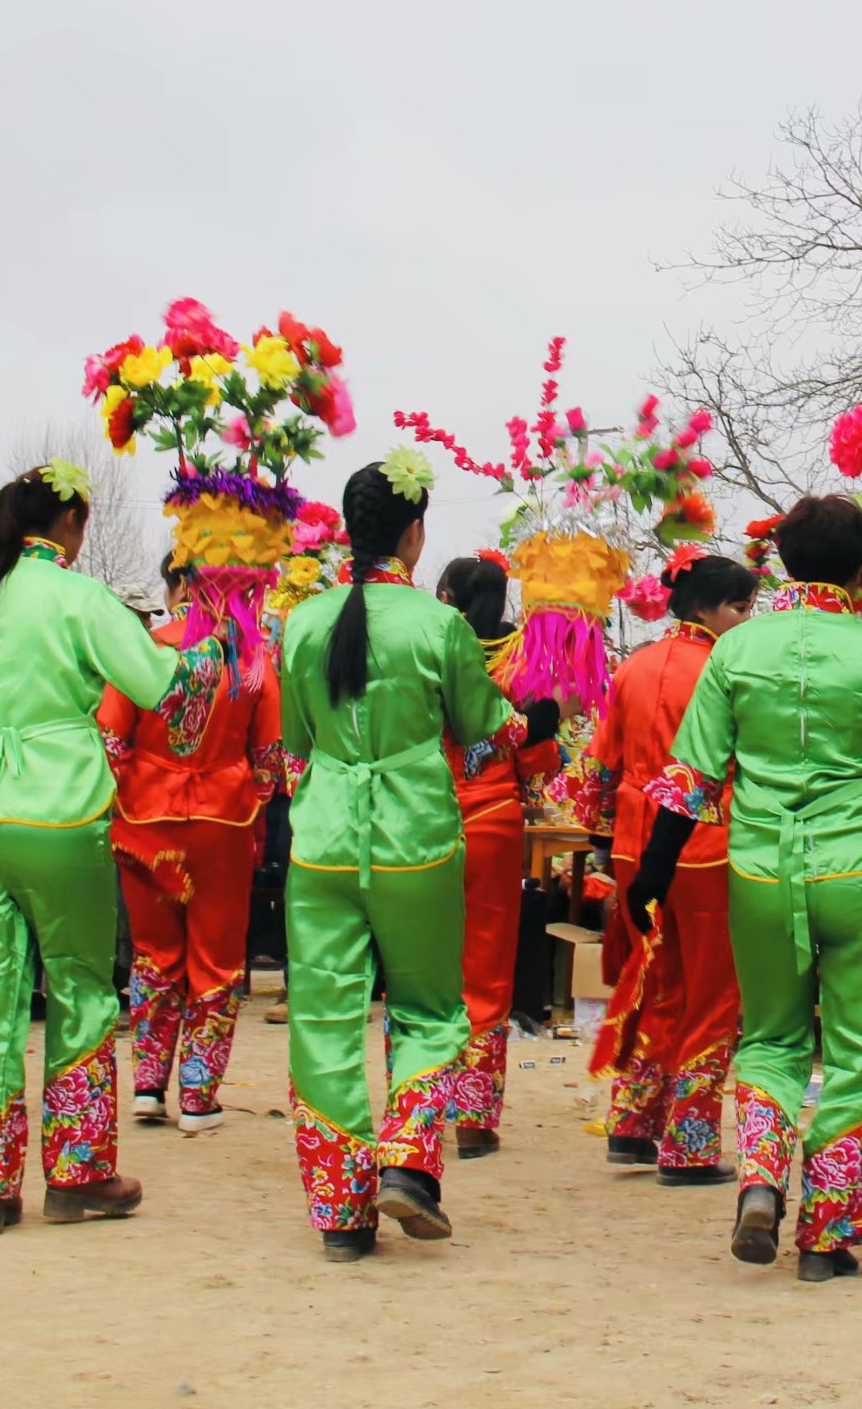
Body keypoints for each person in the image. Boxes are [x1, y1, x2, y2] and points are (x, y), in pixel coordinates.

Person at [627, 495, 862, 1283]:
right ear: (861, 569)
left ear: (781, 565)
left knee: (770, 1039)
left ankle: (761, 1179)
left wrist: (652, 876)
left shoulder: (736, 652)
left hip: (762, 872)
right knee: (856, 1051)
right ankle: (829, 1236)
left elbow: (687, 781)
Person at [0, 465, 182, 1235]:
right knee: (77, 988)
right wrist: (199, 658)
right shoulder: (79, 597)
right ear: (69, 520)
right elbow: (154, 683)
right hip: (59, 814)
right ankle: (76, 1174)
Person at [277, 458, 517, 1260]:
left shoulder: (303, 624)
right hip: (415, 838)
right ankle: (410, 1164)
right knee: (426, 1008)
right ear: (415, 532)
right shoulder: (440, 627)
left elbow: (297, 746)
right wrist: (522, 722)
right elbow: (483, 736)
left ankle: (341, 1210)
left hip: (323, 842)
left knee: (324, 1018)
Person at [574, 551, 755, 1184]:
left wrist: (602, 833)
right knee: (711, 994)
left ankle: (632, 1123)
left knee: (652, 981)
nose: (745, 619)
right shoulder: (727, 669)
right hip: (706, 845)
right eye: (739, 607)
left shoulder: (634, 667)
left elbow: (598, 768)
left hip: (632, 845)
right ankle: (691, 1143)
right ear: (704, 608)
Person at [103, 559, 281, 1134]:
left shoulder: (147, 648)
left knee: (154, 952)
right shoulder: (251, 661)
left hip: (144, 815)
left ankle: (149, 1087)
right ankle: (199, 1096)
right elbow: (271, 759)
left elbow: (111, 738)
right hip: (222, 819)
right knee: (216, 956)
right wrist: (249, 806)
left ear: (184, 586)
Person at [434, 553, 562, 1159]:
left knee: (425, 969)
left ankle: (421, 1104)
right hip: (492, 820)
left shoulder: (426, 647)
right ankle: (475, 1120)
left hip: (422, 818)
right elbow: (539, 756)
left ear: (448, 593)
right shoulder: (522, 662)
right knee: (486, 969)